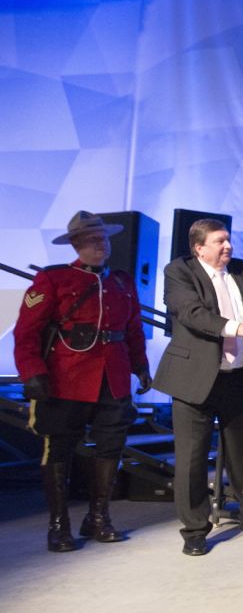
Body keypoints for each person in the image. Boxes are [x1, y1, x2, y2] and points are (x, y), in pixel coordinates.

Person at [13, 211, 151, 552]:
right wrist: (32, 372)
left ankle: (99, 518)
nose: (100, 245)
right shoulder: (53, 279)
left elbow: (133, 330)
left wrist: (141, 367)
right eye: (92, 240)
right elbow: (26, 332)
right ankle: (58, 526)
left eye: (103, 239)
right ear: (76, 244)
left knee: (110, 446)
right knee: (59, 445)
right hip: (66, 376)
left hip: (113, 377)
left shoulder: (121, 281)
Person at [151, 218, 243, 556]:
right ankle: (195, 530)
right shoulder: (179, 272)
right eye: (220, 241)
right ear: (199, 248)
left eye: (228, 240)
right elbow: (192, 314)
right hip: (194, 379)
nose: (228, 246)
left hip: (238, 377)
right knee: (192, 460)